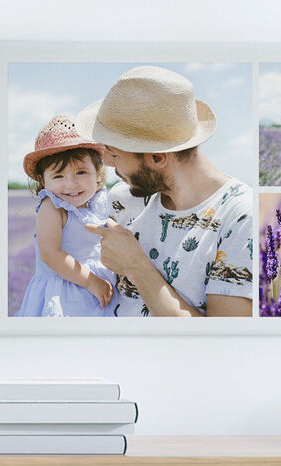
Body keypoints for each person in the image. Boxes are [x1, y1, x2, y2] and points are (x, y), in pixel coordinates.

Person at [78, 66, 253, 317]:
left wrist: (136, 266)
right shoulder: (122, 199)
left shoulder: (241, 216)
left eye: (115, 154)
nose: (107, 163)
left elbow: (220, 340)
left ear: (158, 157)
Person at [15, 115, 115, 317]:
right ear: (43, 180)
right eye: (59, 176)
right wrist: (90, 281)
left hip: (100, 287)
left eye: (81, 173)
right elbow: (50, 253)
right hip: (65, 293)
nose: (71, 184)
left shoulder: (100, 202)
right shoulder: (52, 206)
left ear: (98, 173)